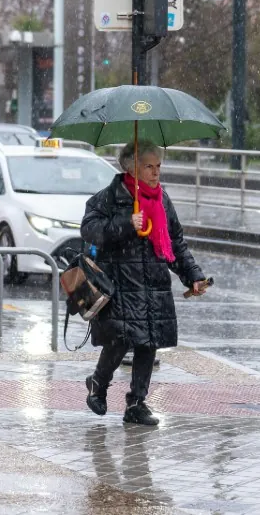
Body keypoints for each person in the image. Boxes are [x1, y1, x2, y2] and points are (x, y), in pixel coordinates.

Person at [81, 140, 208, 426]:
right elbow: (89, 230)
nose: (155, 172)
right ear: (131, 167)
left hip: (153, 284)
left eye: (158, 166)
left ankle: (137, 403)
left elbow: (175, 243)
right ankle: (98, 383)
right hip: (120, 284)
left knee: (148, 343)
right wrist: (127, 223)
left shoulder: (162, 199)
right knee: (120, 339)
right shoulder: (109, 197)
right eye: (148, 166)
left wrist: (193, 276)